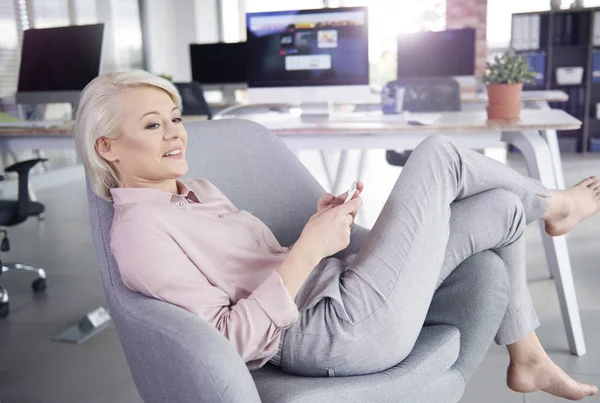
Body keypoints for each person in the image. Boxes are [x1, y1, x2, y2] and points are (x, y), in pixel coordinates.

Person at [75, 71, 599, 400]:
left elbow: (259, 263)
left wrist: (317, 229)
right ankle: (560, 204)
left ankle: (527, 357)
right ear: (107, 148)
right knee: (438, 155)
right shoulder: (140, 232)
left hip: (340, 288)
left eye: (174, 117)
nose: (174, 133)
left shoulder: (196, 190)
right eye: (152, 125)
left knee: (502, 207)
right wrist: (310, 248)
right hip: (328, 335)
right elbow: (223, 342)